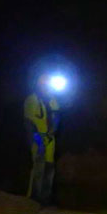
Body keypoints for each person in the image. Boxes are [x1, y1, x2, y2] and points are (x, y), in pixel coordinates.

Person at [24, 74, 62, 204]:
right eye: (44, 85)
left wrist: (53, 131)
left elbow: (57, 114)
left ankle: (46, 198)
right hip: (37, 137)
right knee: (38, 167)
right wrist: (37, 139)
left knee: (49, 168)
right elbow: (28, 122)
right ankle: (34, 198)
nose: (46, 88)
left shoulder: (51, 99)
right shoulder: (31, 100)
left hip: (49, 138)